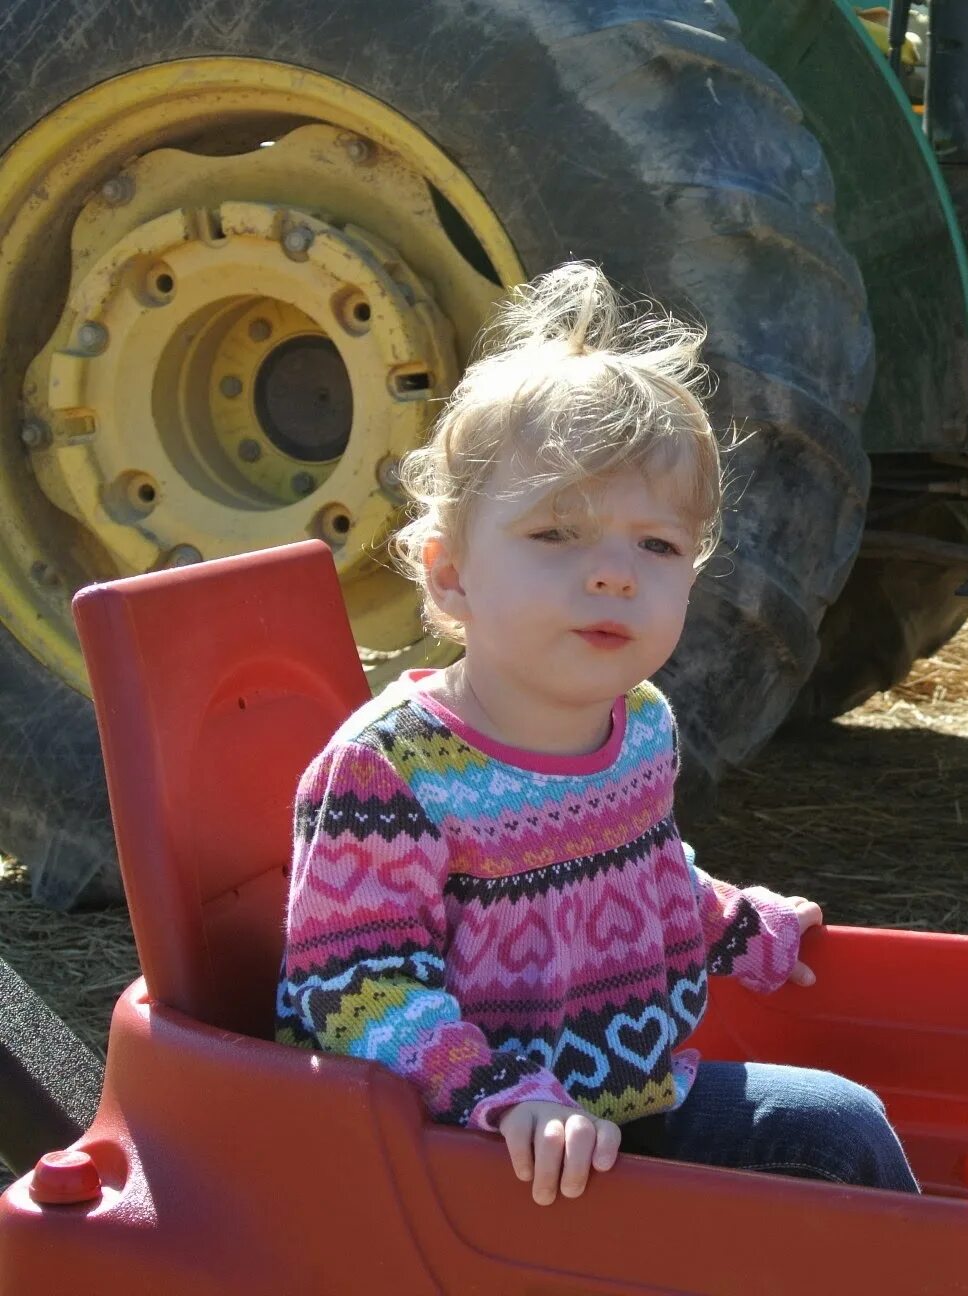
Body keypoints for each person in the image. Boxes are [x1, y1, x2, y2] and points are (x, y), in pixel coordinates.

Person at [274, 262, 918, 1206]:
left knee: (838, 1126)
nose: (615, 574)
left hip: (619, 1110)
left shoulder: (638, 725)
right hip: (464, 1158)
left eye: (656, 546)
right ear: (450, 576)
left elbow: (643, 876)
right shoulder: (393, 769)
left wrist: (731, 923)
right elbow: (352, 987)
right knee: (833, 1135)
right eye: (557, 535)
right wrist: (500, 1096)